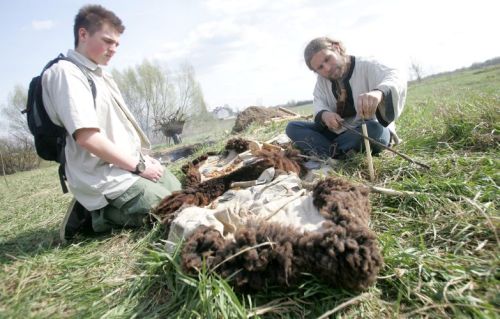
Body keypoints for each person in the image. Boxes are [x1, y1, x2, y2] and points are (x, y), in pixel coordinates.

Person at [42, 5, 181, 240]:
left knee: (179, 192)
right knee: (171, 210)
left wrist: (141, 160)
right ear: (83, 34)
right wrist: (139, 168)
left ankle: (103, 206)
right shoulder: (66, 73)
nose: (113, 49)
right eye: (107, 41)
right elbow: (87, 138)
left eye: (117, 44)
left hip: (127, 164)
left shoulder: (101, 75)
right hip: (102, 176)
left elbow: (117, 129)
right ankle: (92, 216)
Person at [286, 37, 407, 159]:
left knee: (374, 130)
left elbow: (395, 77)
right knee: (293, 127)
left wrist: (378, 92)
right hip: (338, 132)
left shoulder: (367, 65)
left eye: (328, 59)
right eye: (320, 68)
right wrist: (325, 115)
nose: (327, 68)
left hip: (367, 130)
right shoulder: (322, 81)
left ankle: (329, 152)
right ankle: (339, 151)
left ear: (336, 48)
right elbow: (319, 103)